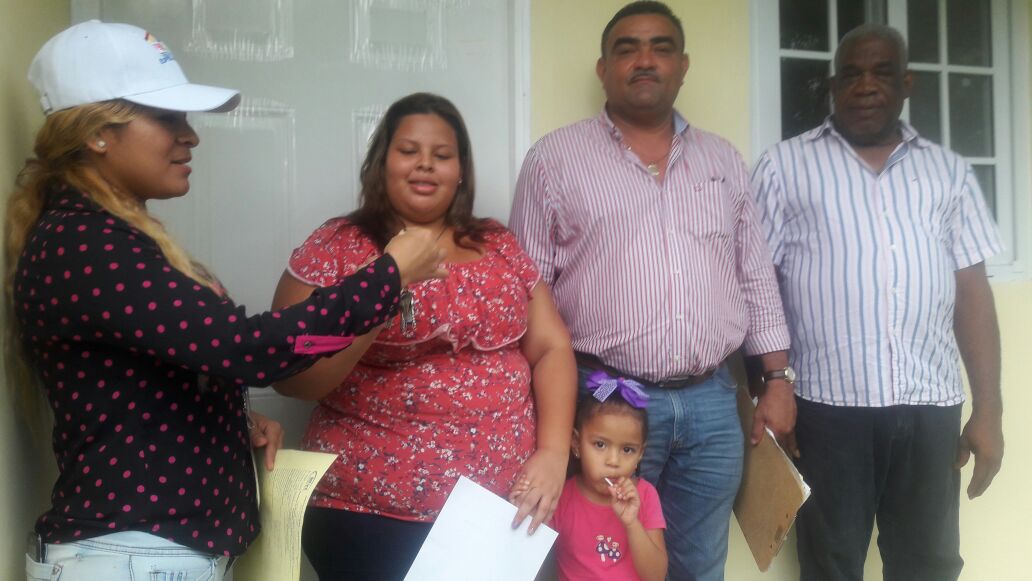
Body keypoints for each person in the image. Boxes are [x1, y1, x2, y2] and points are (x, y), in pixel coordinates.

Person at [6, 21, 446, 580]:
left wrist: (226, 419)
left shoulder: (106, 236)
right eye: (167, 118)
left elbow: (152, 373)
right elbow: (249, 350)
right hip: (131, 554)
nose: (189, 136)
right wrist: (387, 277)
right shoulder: (84, 243)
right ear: (97, 132)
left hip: (147, 552)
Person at [510, 2, 794, 579]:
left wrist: (778, 378)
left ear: (683, 65)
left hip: (713, 403)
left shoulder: (722, 160)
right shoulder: (554, 160)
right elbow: (527, 291)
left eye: (661, 48)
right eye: (627, 48)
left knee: (698, 565)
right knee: (596, 564)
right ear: (603, 69)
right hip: (603, 404)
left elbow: (754, 274)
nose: (645, 60)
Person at [270, 92, 577, 580]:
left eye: (442, 154)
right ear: (382, 162)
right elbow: (292, 371)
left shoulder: (497, 243)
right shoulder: (339, 246)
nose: (425, 165)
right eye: (409, 151)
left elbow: (552, 347)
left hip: (497, 513)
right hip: (366, 511)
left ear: (461, 170)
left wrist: (554, 453)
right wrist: (385, 284)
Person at [751, 24, 1004, 581]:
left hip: (930, 407)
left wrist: (989, 410)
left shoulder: (949, 172)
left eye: (882, 73)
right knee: (831, 565)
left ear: (906, 83)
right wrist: (771, 386)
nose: (865, 85)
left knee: (928, 565)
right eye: (851, 74)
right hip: (825, 410)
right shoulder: (785, 166)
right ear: (832, 87)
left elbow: (973, 293)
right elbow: (755, 283)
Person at [542, 372, 667, 581]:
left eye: (627, 450)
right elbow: (528, 553)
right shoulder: (560, 496)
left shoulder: (645, 495)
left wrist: (632, 523)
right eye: (600, 445)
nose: (613, 461)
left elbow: (656, 576)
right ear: (576, 443)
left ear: (641, 454)